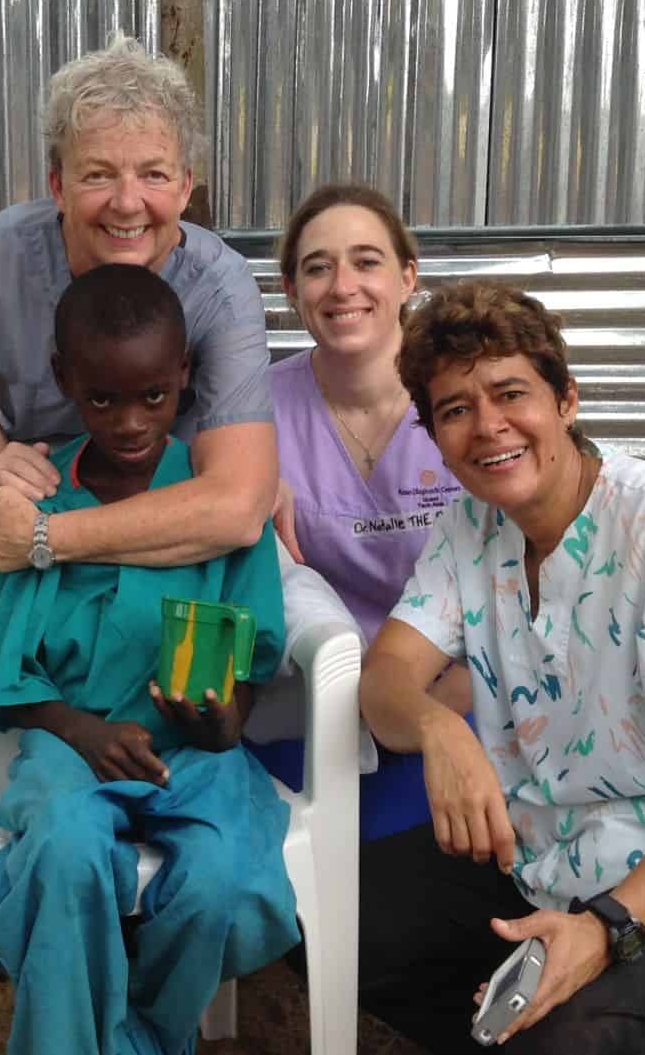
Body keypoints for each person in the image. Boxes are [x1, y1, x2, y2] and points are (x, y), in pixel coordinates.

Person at [356, 281, 645, 1053]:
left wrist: (605, 929)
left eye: (511, 393)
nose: (488, 426)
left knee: (565, 1035)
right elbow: (385, 677)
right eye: (455, 409)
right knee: (328, 915)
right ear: (434, 436)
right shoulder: (470, 527)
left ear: (565, 399)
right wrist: (441, 728)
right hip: (545, 852)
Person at [0, 263, 298, 1055]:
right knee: (68, 845)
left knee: (218, 875)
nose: (130, 422)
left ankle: (140, 1035)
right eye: (102, 398)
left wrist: (222, 723)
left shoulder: (215, 497)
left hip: (195, 752)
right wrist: (80, 730)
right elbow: (9, 676)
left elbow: (249, 658)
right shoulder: (47, 497)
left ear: (183, 374)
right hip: (68, 742)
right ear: (63, 380)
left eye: (153, 395)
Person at [0, 33, 276, 572]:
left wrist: (43, 537)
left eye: (153, 174)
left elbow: (236, 506)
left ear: (185, 188)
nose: (127, 203)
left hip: (170, 544)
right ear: (58, 186)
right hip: (39, 526)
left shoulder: (220, 289)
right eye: (98, 174)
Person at [250, 184, 468, 842]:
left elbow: (518, 583)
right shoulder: (253, 412)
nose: (343, 285)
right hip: (309, 710)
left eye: (366, 261)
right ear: (291, 289)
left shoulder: (466, 399)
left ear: (407, 276)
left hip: (456, 700)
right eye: (318, 266)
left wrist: (427, 715)